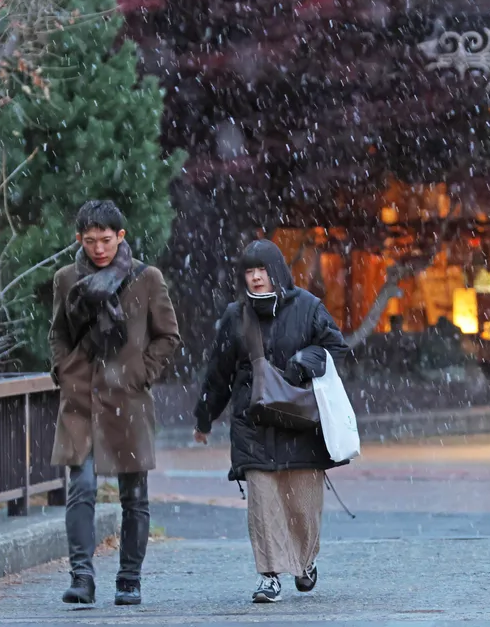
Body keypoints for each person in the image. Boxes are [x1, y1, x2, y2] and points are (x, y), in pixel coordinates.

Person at [193, 239, 349, 603]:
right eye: (249, 271)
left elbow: (335, 347)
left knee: (303, 506)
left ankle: (305, 561)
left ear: (276, 271)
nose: (256, 277)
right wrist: (204, 417)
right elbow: (219, 373)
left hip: (301, 421)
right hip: (252, 422)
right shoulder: (236, 316)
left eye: (262, 269)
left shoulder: (308, 307)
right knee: (262, 504)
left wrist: (304, 362)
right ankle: (269, 576)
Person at [49, 200, 180, 606]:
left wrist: (141, 372)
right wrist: (64, 370)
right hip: (81, 397)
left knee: (133, 495)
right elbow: (58, 333)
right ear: (79, 239)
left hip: (128, 398)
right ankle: (82, 577)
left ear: (120, 236)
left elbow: (168, 335)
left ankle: (129, 579)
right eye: (90, 241)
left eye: (106, 240)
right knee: (81, 487)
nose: (99, 248)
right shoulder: (66, 279)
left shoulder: (146, 278)